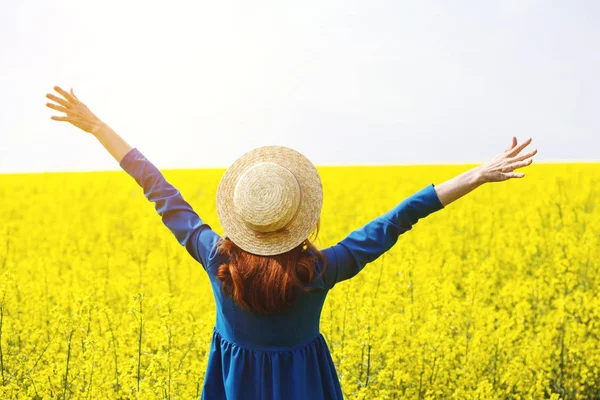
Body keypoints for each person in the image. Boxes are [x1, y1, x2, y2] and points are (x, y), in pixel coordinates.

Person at [45, 86, 537, 399]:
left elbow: (157, 189)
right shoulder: (319, 271)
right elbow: (398, 219)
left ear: (239, 220)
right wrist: (475, 175)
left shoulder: (216, 257)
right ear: (302, 219)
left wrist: (97, 127)